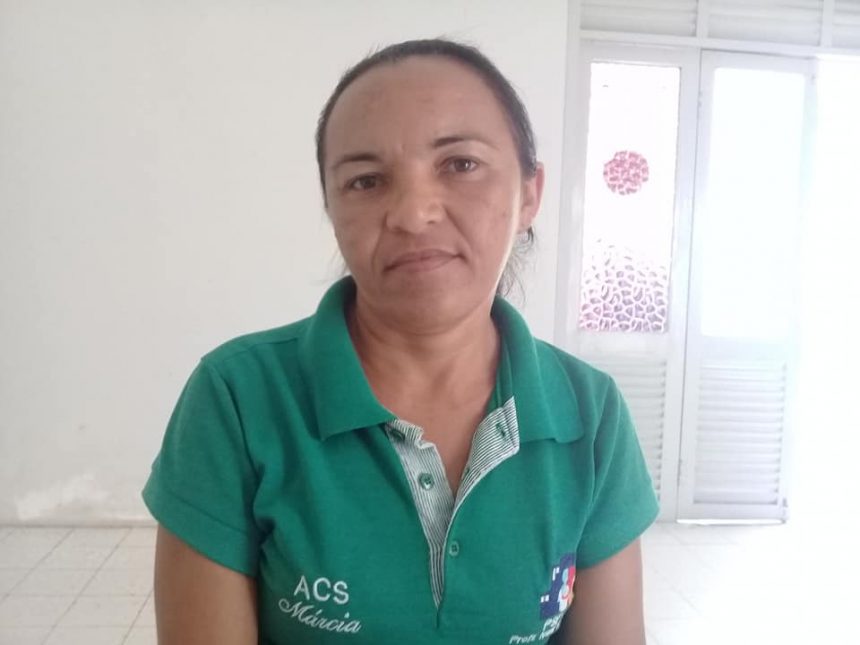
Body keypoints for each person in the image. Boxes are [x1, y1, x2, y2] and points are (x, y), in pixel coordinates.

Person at [143, 38, 660, 645]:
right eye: (366, 180)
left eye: (460, 164)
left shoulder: (590, 413)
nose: (413, 214)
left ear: (529, 194)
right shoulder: (237, 399)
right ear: (331, 208)